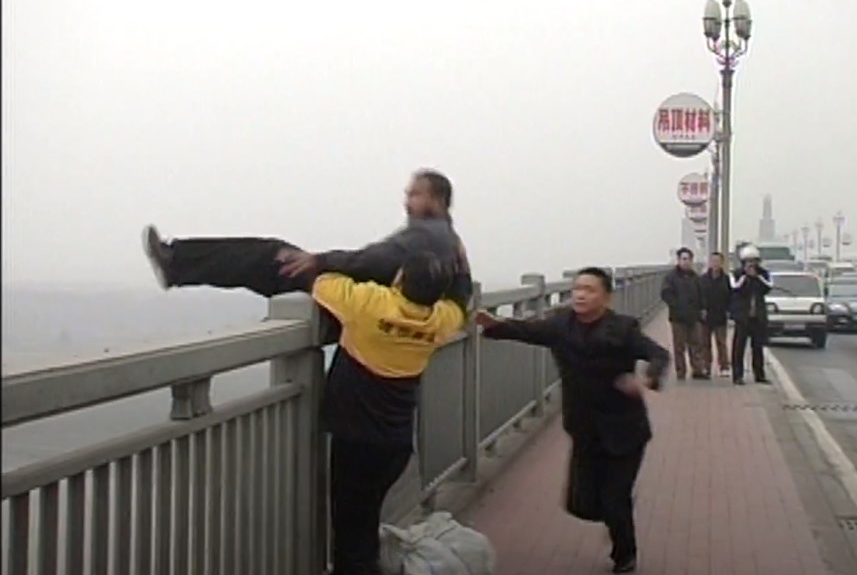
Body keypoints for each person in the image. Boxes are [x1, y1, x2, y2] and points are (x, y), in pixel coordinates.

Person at [475, 267, 669, 574]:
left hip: (624, 429)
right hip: (584, 426)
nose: (580, 294)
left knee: (614, 498)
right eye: (577, 288)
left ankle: (625, 557)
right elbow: (528, 331)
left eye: (590, 289)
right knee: (582, 503)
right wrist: (493, 325)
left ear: (606, 297)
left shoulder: (623, 328)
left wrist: (648, 377)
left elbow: (657, 354)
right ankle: (616, 512)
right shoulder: (561, 325)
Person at [311, 251, 466, 575]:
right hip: (394, 445)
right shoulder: (441, 320)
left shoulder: (369, 302)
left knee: (351, 531)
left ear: (399, 279)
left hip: (355, 441)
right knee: (365, 521)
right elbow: (461, 302)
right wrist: (460, 265)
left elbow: (321, 282)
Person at [141, 169, 473, 312]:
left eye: (415, 194)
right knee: (272, 254)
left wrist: (320, 260)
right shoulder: (449, 237)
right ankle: (177, 261)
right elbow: (463, 291)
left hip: (359, 302)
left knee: (273, 257)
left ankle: (176, 263)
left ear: (437, 199)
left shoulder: (425, 234)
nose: (406, 201)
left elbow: (377, 258)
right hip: (375, 303)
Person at [729, 244, 773, 386]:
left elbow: (769, 287)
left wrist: (757, 277)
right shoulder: (736, 274)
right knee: (738, 347)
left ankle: (759, 375)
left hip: (757, 317)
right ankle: (737, 376)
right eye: (748, 261)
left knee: (758, 347)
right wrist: (745, 277)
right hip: (742, 317)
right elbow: (735, 288)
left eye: (754, 261)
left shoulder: (763, 274)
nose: (751, 264)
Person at [660, 247, 706, 380]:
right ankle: (681, 371)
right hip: (678, 317)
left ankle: (697, 369)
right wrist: (676, 305)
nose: (686, 262)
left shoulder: (695, 277)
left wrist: (702, 309)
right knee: (679, 346)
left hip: (694, 316)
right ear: (679, 260)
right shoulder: (670, 277)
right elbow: (665, 293)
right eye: (683, 259)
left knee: (696, 344)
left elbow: (702, 295)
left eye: (688, 259)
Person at [700, 251, 732, 377]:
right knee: (704, 343)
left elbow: (730, 296)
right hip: (705, 316)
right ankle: (706, 367)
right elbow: (699, 296)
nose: (715, 264)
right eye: (713, 261)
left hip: (720, 315)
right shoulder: (703, 279)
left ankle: (724, 366)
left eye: (718, 261)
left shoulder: (726, 279)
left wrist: (729, 311)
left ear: (722, 263)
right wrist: (701, 309)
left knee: (721, 343)